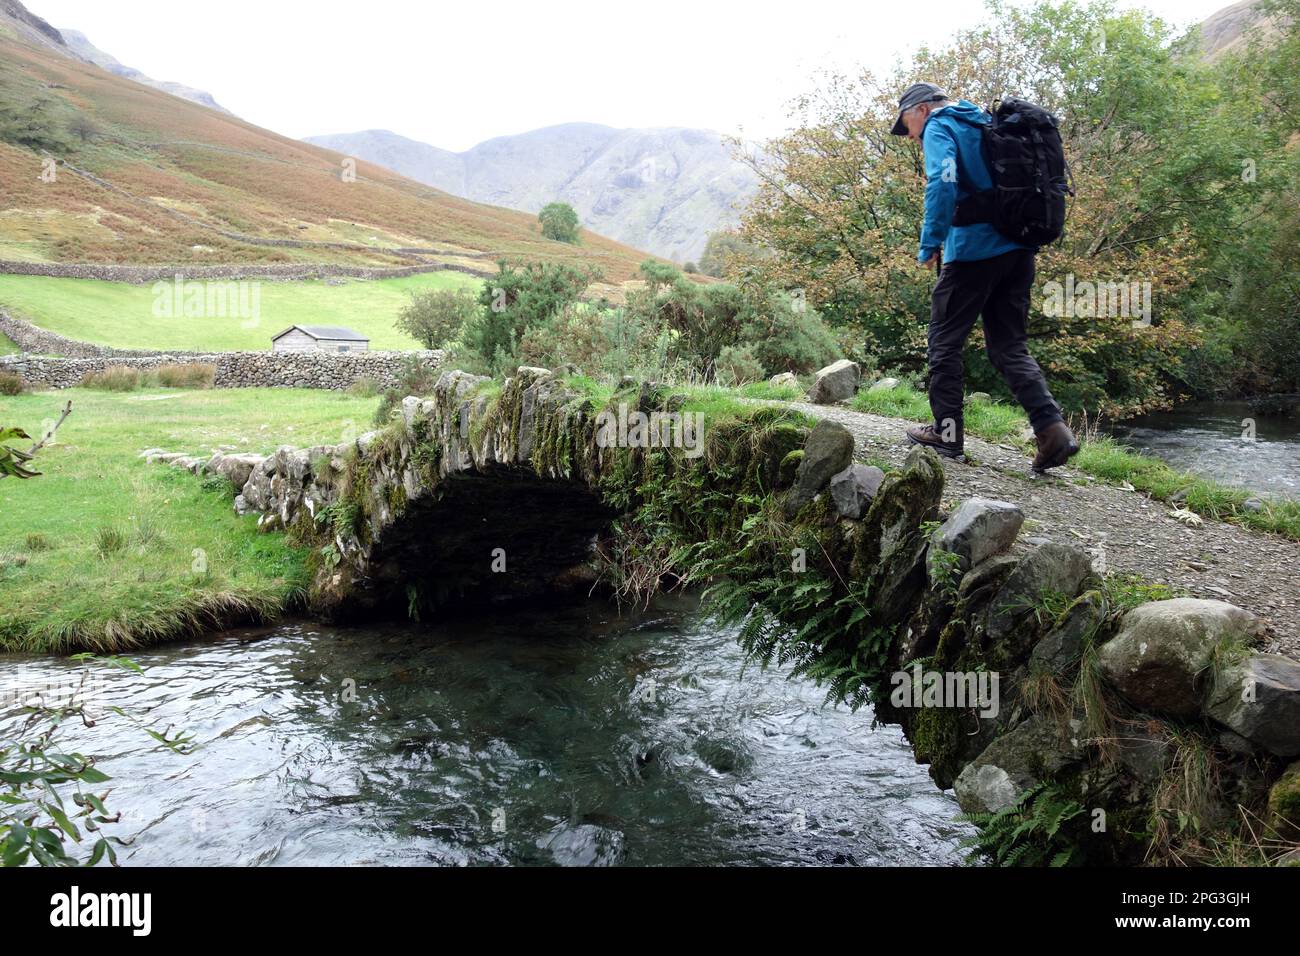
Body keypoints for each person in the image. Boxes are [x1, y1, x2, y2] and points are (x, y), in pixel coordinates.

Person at [890, 82, 1079, 472]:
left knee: (944, 340)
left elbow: (942, 183)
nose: (909, 134)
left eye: (907, 123)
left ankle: (946, 433)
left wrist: (930, 243)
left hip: (974, 252)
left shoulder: (941, 126)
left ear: (922, 110)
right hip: (1019, 249)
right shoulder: (986, 121)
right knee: (1009, 345)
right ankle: (1053, 431)